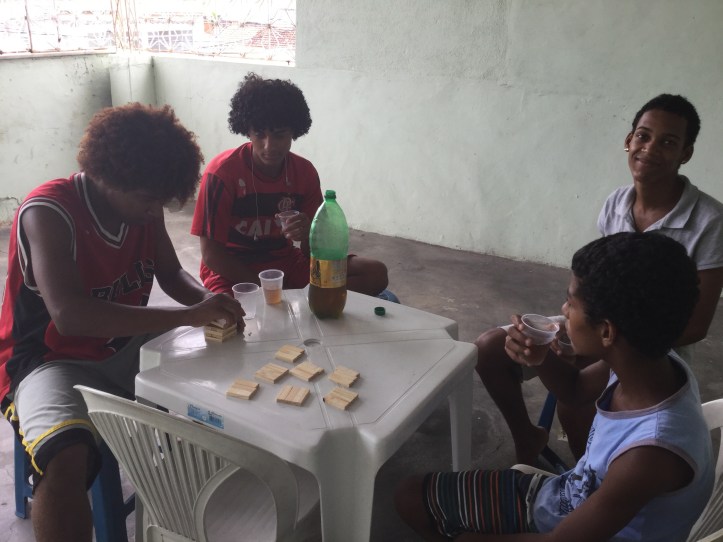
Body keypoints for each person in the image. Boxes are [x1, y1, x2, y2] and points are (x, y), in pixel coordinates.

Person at [0, 103, 245, 542]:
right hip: (48, 359)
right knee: (66, 457)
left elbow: (171, 274)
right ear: (106, 177)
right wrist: (188, 315)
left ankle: (191, 501)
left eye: (160, 201)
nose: (155, 211)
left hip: (122, 343)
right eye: (148, 200)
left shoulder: (143, 208)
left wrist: (209, 301)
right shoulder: (48, 212)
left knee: (226, 372)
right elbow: (70, 316)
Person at [395, 232, 714, 542]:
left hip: (565, 523)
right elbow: (574, 390)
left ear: (607, 332)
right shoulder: (650, 361)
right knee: (413, 495)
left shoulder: (649, 454)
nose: (563, 311)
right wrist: (540, 358)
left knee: (410, 498)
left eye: (570, 303)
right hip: (569, 498)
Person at [475, 94, 723, 464]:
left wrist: (601, 345)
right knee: (491, 348)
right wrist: (576, 334)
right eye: (643, 136)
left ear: (685, 153)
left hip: (651, 349)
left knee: (576, 406)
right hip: (599, 328)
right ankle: (527, 437)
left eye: (668, 142)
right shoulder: (616, 203)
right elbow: (597, 284)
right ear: (628, 141)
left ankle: (591, 476)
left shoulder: (709, 220)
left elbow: (696, 327)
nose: (650, 149)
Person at [191, 72, 389, 296]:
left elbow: (311, 252)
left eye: (279, 135)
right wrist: (271, 289)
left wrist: (307, 234)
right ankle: (304, 303)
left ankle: (303, 304)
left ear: (294, 131)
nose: (269, 146)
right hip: (232, 271)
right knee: (231, 313)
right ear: (247, 131)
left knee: (374, 273)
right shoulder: (221, 174)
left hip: (286, 264)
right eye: (260, 134)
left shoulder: (304, 172)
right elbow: (212, 256)